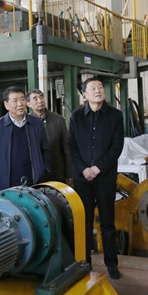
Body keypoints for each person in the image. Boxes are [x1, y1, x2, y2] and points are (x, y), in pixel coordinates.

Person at [68, 78, 124, 280]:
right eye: (92, 88)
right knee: (84, 222)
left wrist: (98, 168)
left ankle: (112, 264)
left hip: (105, 177)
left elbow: (116, 147)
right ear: (84, 94)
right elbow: (71, 146)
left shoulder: (115, 115)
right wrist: (84, 169)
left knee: (108, 223)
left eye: (100, 87)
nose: (98, 90)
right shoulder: (76, 117)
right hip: (82, 179)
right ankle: (85, 263)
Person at [0, 86, 50, 195]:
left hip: (34, 183)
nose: (20, 104)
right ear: (6, 105)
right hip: (6, 185)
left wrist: (43, 170)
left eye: (22, 99)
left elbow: (45, 150)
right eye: (15, 101)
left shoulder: (36, 123)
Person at [27, 89, 72, 184]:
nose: (40, 101)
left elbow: (66, 148)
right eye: (35, 98)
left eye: (41, 97)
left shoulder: (58, 120)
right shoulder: (26, 122)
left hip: (56, 173)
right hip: (34, 175)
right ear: (28, 104)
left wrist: (69, 173)